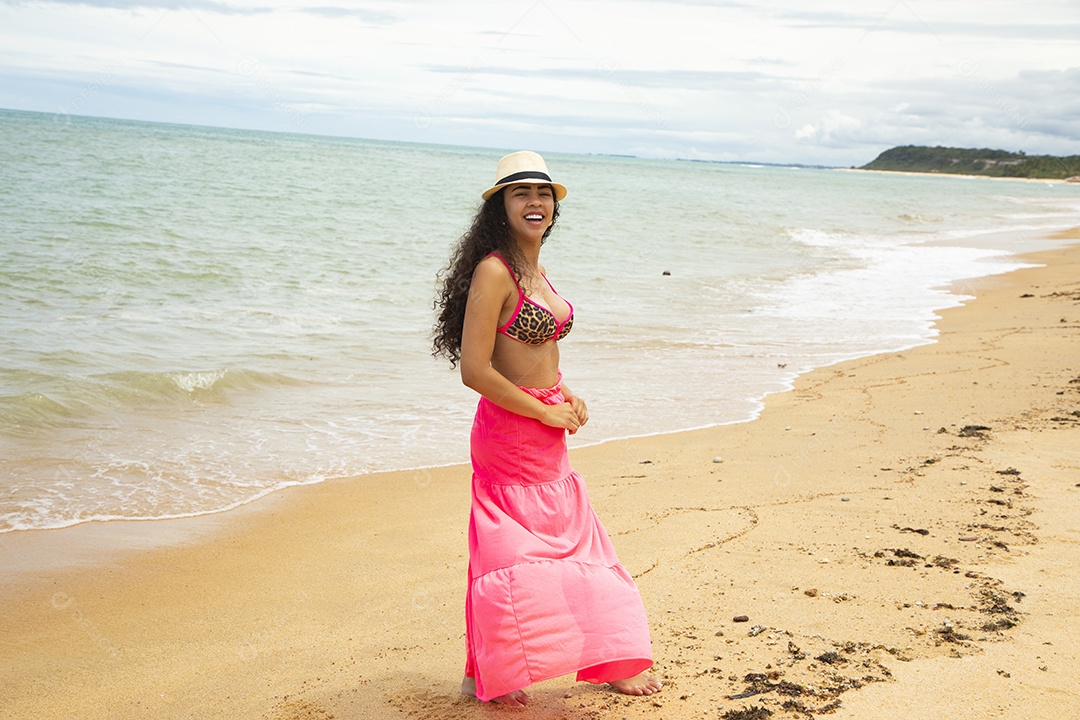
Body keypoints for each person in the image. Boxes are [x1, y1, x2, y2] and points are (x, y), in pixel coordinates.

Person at [432, 151, 662, 706]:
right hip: (510, 435)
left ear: (554, 208)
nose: (535, 202)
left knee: (569, 543)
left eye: (543, 194)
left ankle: (491, 671)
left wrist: (564, 394)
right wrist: (541, 410)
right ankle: (499, 670)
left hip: (545, 427)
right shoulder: (494, 270)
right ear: (500, 208)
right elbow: (475, 369)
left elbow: (536, 353)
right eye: (521, 193)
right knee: (513, 554)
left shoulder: (535, 267)